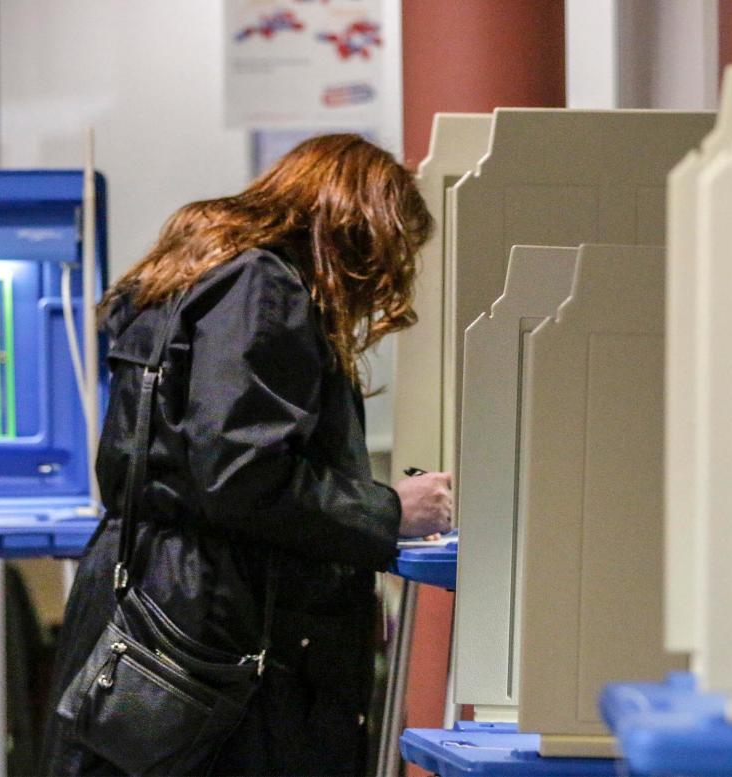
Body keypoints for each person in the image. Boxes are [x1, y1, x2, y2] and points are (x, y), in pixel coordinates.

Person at [41, 134, 453, 775]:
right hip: (218, 623)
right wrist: (390, 510)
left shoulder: (189, 274)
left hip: (155, 599)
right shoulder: (264, 285)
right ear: (355, 222)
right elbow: (241, 475)